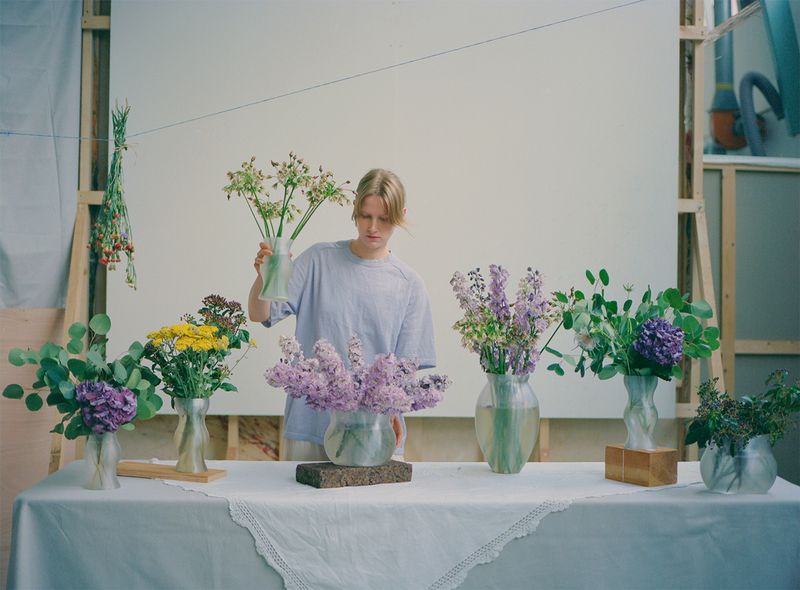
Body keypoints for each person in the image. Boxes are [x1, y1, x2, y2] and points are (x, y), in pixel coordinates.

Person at [248, 169, 436, 461]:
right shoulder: (318, 260)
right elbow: (260, 314)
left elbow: (405, 369)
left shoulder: (409, 285)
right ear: (354, 208)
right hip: (311, 427)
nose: (372, 227)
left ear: (401, 215)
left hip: (375, 432)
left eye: (384, 219)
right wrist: (264, 276)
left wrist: (393, 411)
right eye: (365, 215)